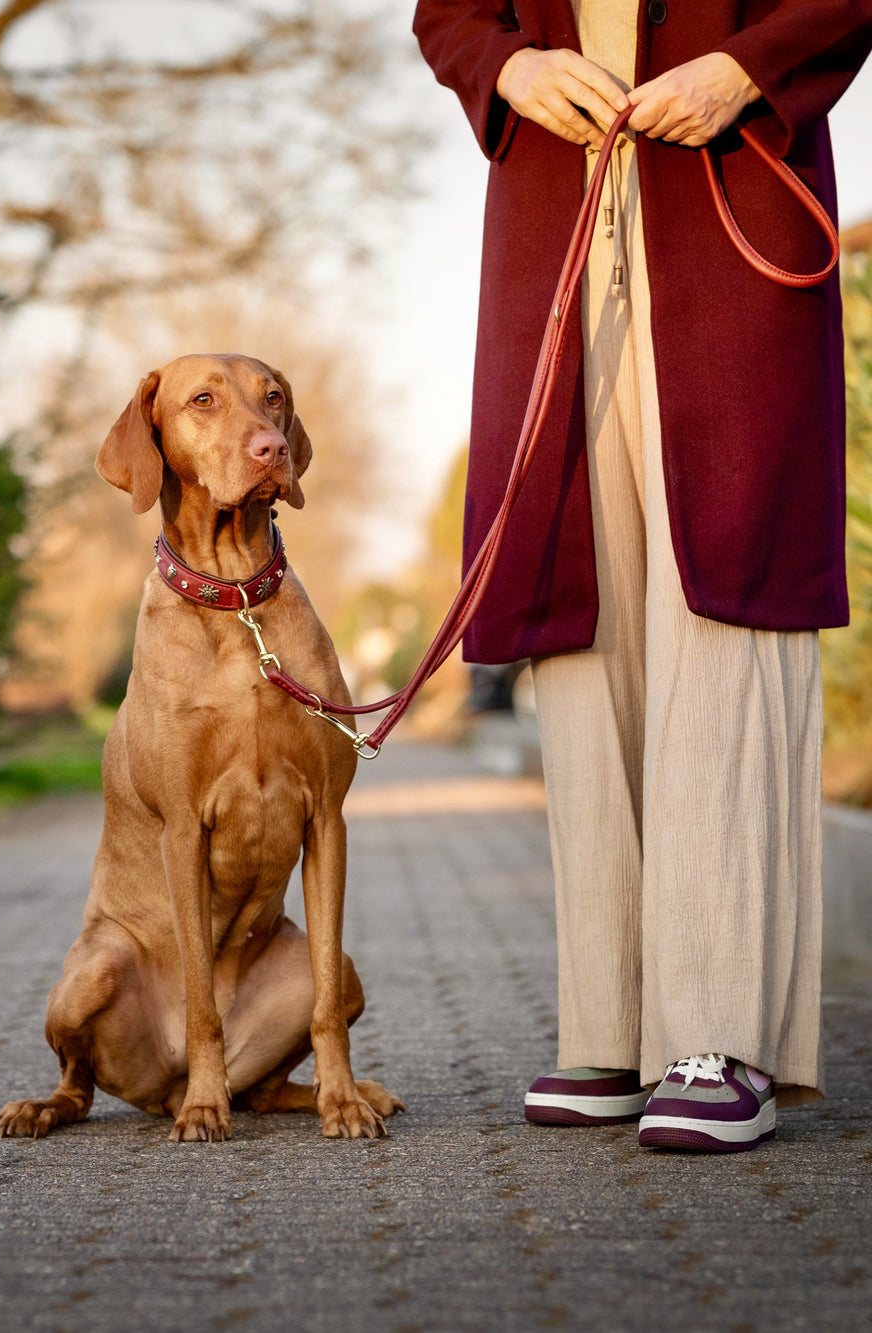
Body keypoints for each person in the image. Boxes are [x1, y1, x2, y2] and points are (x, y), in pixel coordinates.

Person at [413, 0, 872, 1151]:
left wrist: (741, 68)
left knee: (723, 609)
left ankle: (717, 1035)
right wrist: (509, 70)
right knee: (585, 626)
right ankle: (607, 1027)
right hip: (554, 226)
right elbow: (447, 14)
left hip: (725, 206)